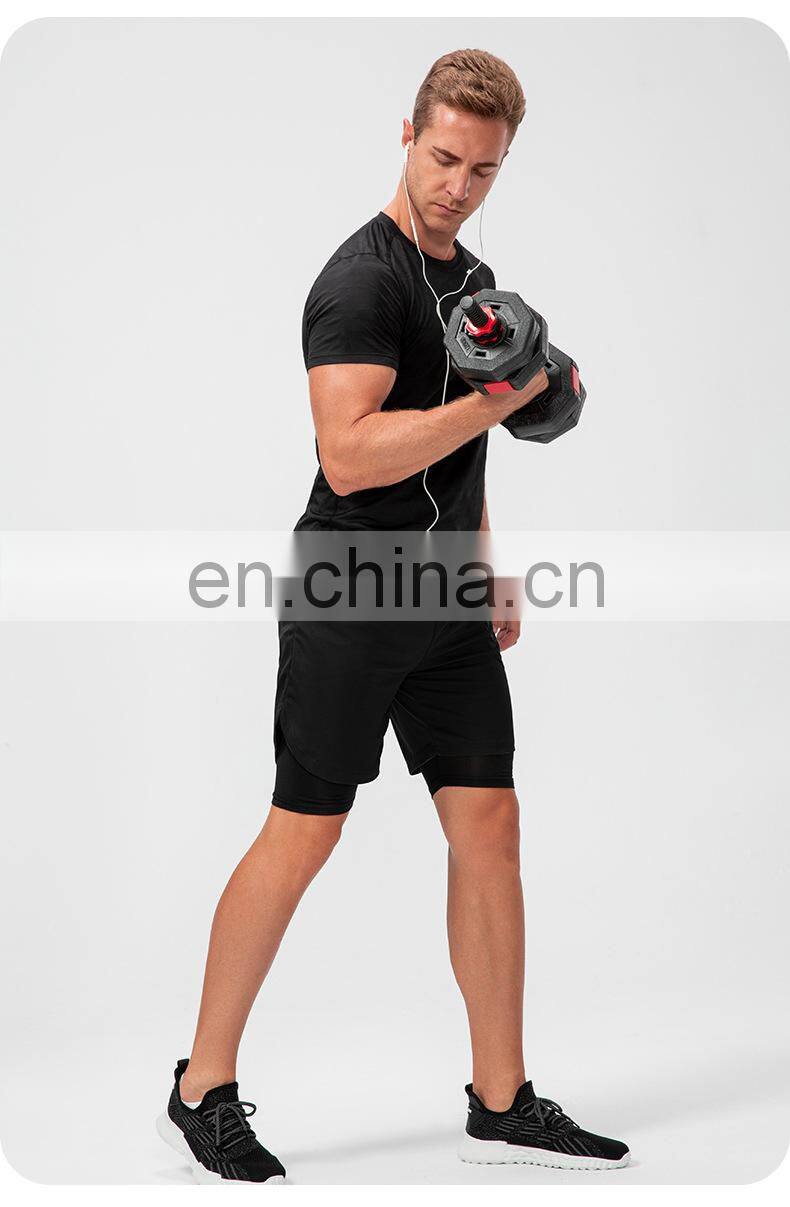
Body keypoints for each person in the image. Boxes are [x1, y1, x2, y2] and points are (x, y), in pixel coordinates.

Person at [157, 48, 630, 1183]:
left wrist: (485, 562)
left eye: (484, 169)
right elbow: (351, 454)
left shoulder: (475, 281)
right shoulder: (358, 283)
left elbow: (466, 451)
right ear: (407, 135)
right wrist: (496, 399)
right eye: (444, 157)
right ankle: (200, 1085)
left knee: (490, 824)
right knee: (304, 829)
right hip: (348, 589)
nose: (458, 186)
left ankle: (501, 1099)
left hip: (444, 598)